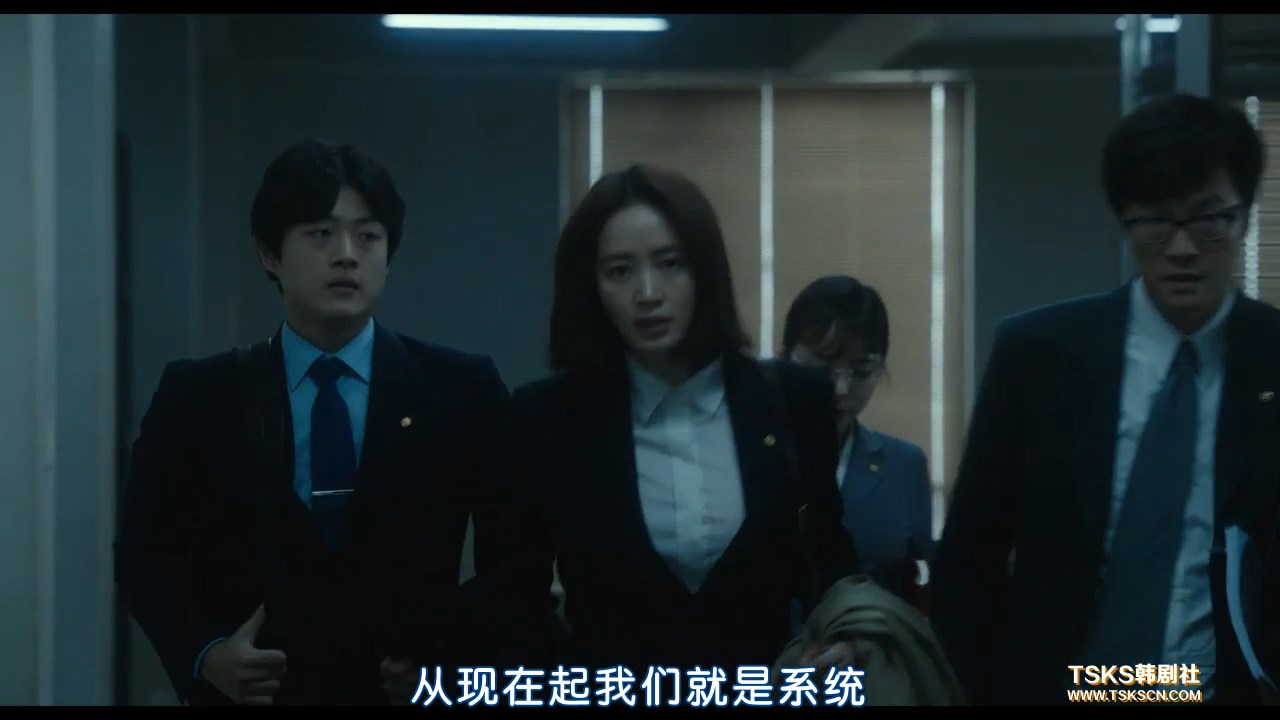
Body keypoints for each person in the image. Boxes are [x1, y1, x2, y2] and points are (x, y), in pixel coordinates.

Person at [114, 139, 529, 705]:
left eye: (368, 236)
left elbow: (518, 560)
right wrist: (205, 654)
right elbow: (144, 553)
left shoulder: (460, 389)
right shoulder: (200, 395)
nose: (347, 255)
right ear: (269, 253)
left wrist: (451, 668)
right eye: (320, 234)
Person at [931, 93, 1280, 704]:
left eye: (1208, 219)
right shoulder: (1040, 356)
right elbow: (970, 555)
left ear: (1245, 217)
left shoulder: (1271, 357)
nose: (1182, 249)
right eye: (1155, 222)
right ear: (1123, 221)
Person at [505, 164, 861, 676]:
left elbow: (829, 554)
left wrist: (843, 639)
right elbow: (516, 597)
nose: (648, 292)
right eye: (620, 271)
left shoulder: (792, 399)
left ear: (704, 271)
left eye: (670, 263)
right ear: (592, 286)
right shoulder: (548, 418)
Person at [781, 275, 933, 603]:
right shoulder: (750, 450)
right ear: (786, 358)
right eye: (823, 368)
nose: (841, 389)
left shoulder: (904, 465)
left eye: (861, 372)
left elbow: (917, 585)